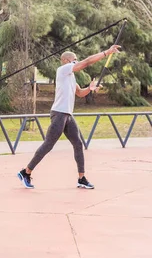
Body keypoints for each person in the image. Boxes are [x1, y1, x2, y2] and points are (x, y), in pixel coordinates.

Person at [17, 44, 121, 190]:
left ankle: (81, 178)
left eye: (76, 61)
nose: (75, 62)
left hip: (68, 115)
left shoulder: (71, 78)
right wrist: (106, 52)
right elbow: (86, 62)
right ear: (66, 61)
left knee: (78, 144)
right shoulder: (63, 69)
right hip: (59, 113)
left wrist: (90, 89)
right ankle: (25, 172)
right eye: (73, 60)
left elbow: (80, 93)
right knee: (48, 145)